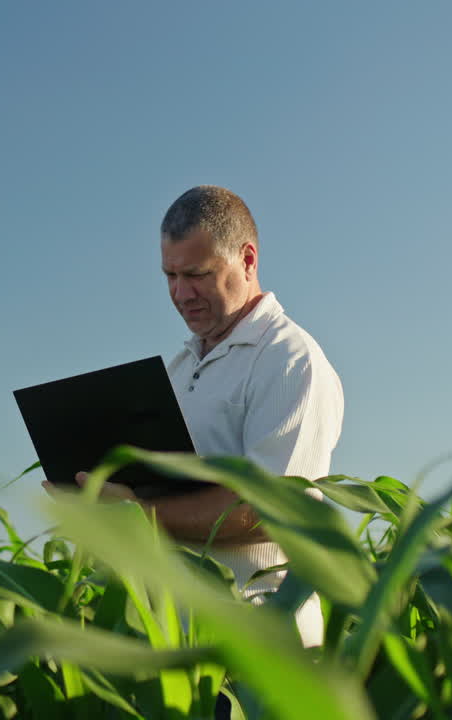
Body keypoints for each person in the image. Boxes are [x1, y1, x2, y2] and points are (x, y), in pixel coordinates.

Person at [52, 185, 343, 647]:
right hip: (176, 641)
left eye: (197, 274)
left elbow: (272, 511)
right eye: (169, 275)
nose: (180, 293)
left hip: (259, 643)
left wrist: (136, 512)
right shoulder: (181, 365)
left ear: (248, 260)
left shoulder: (289, 360)